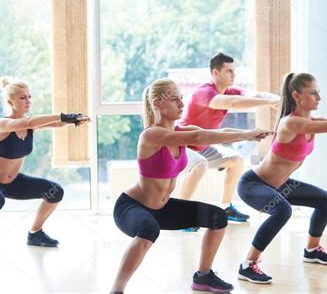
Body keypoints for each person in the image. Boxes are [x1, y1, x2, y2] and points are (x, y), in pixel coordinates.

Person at [110, 78, 273, 293]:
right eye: (174, 99)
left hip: (162, 208)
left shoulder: (181, 130)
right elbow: (198, 136)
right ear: (158, 104)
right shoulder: (151, 134)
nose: (181, 104)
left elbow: (217, 133)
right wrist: (246, 134)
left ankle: (204, 276)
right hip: (131, 207)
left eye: (181, 98)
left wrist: (250, 134)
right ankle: (116, 290)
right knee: (149, 229)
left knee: (218, 217)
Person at [236, 72, 327, 284]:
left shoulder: (309, 121)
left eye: (319, 92)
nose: (319, 97)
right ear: (296, 96)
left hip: (280, 185)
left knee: (325, 200)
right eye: (313, 93)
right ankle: (248, 264)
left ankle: (312, 250)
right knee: (282, 210)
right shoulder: (290, 123)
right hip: (254, 185)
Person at [0, 76, 89, 261]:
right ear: (10, 101)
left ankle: (35, 233)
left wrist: (74, 119)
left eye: (29, 97)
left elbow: (54, 123)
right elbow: (30, 122)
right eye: (22, 97)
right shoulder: (2, 124)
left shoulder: (31, 126)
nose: (28, 101)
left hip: (12, 182)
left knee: (55, 192)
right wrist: (63, 115)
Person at [178, 52, 280, 225]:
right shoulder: (203, 92)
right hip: (181, 146)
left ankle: (226, 207)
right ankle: (180, 215)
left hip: (203, 146)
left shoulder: (230, 91)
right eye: (229, 71)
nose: (234, 75)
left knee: (236, 160)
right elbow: (232, 102)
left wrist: (278, 99)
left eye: (234, 71)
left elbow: (254, 96)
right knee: (200, 164)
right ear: (215, 73)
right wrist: (269, 104)